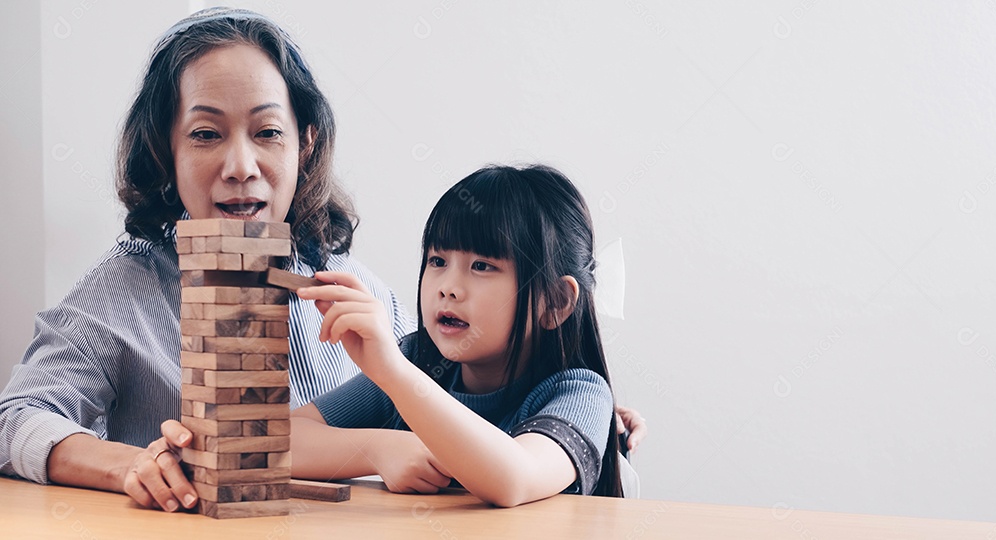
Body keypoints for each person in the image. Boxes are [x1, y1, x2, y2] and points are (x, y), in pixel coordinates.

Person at [0, 7, 645, 512]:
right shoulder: (118, 289)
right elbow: (15, 423)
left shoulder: (356, 291)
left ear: (305, 145)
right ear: (164, 152)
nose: (240, 166)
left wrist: (568, 416)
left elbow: (446, 406)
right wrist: (125, 465)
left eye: (267, 132)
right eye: (205, 134)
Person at [287, 165, 623, 506]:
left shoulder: (581, 394)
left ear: (554, 302)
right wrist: (378, 448)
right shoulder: (416, 360)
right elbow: (276, 442)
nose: (448, 287)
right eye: (437, 260)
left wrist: (392, 371)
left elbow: (514, 479)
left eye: (482, 266)